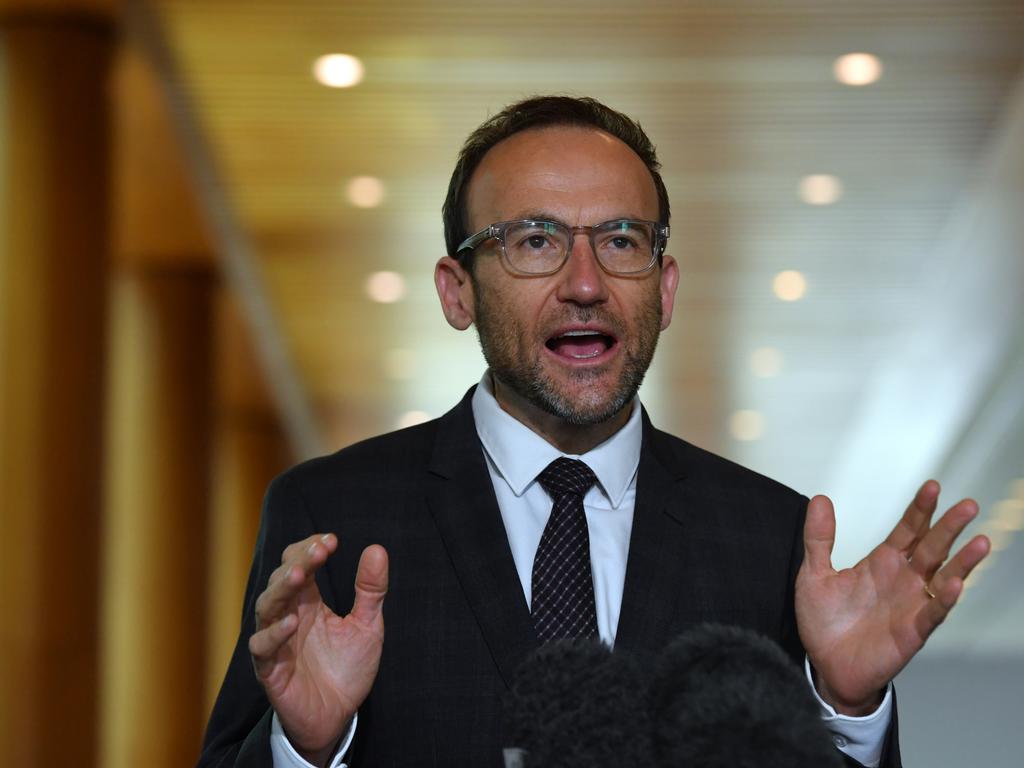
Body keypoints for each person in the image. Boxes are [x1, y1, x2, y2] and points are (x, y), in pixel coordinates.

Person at [198, 96, 990, 768]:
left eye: (620, 241)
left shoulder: (766, 535)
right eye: (536, 241)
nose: (585, 284)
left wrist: (846, 707)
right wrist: (305, 747)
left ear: (665, 287)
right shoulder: (332, 515)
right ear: (457, 291)